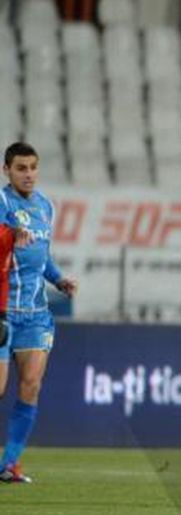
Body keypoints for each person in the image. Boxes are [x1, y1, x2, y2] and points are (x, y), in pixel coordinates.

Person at [0, 142, 77, 484]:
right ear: (7, 170)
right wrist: (10, 234)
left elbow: (41, 255)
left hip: (35, 314)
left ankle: (9, 464)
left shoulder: (45, 207)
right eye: (21, 168)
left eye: (33, 167)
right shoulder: (1, 203)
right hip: (2, 312)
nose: (28, 174)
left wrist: (58, 279)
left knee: (31, 385)